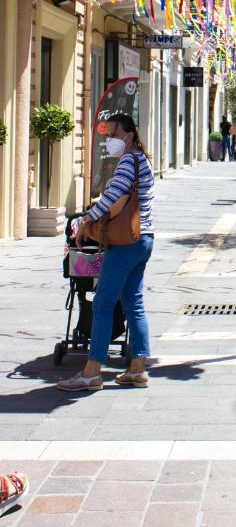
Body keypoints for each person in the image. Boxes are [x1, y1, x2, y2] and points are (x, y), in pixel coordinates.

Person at [56, 114, 154, 392]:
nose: (109, 140)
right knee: (134, 302)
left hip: (125, 243)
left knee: (102, 305)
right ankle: (137, 369)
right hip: (144, 238)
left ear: (129, 135)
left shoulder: (128, 161)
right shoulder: (144, 160)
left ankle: (91, 371)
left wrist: (86, 220)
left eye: (112, 134)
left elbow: (113, 198)